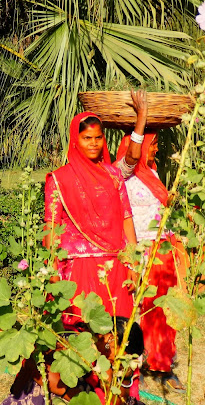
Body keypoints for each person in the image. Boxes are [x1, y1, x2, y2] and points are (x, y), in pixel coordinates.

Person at [44, 112, 139, 321]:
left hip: (115, 265)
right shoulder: (59, 179)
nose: (93, 143)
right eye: (87, 138)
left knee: (117, 328)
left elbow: (126, 217)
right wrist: (52, 269)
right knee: (82, 329)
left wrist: (133, 263)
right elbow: (51, 226)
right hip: (78, 268)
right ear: (75, 140)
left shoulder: (114, 175)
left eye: (98, 137)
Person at [115, 133, 184, 391]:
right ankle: (132, 364)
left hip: (160, 246)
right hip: (135, 249)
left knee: (161, 307)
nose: (156, 149)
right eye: (152, 145)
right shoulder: (122, 175)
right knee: (132, 307)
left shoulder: (152, 173)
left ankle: (162, 363)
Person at [1, 317, 145, 405]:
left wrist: (122, 376)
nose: (121, 362)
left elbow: (116, 401)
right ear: (111, 338)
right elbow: (35, 367)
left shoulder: (111, 362)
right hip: (43, 393)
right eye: (124, 355)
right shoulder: (72, 339)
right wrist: (74, 395)